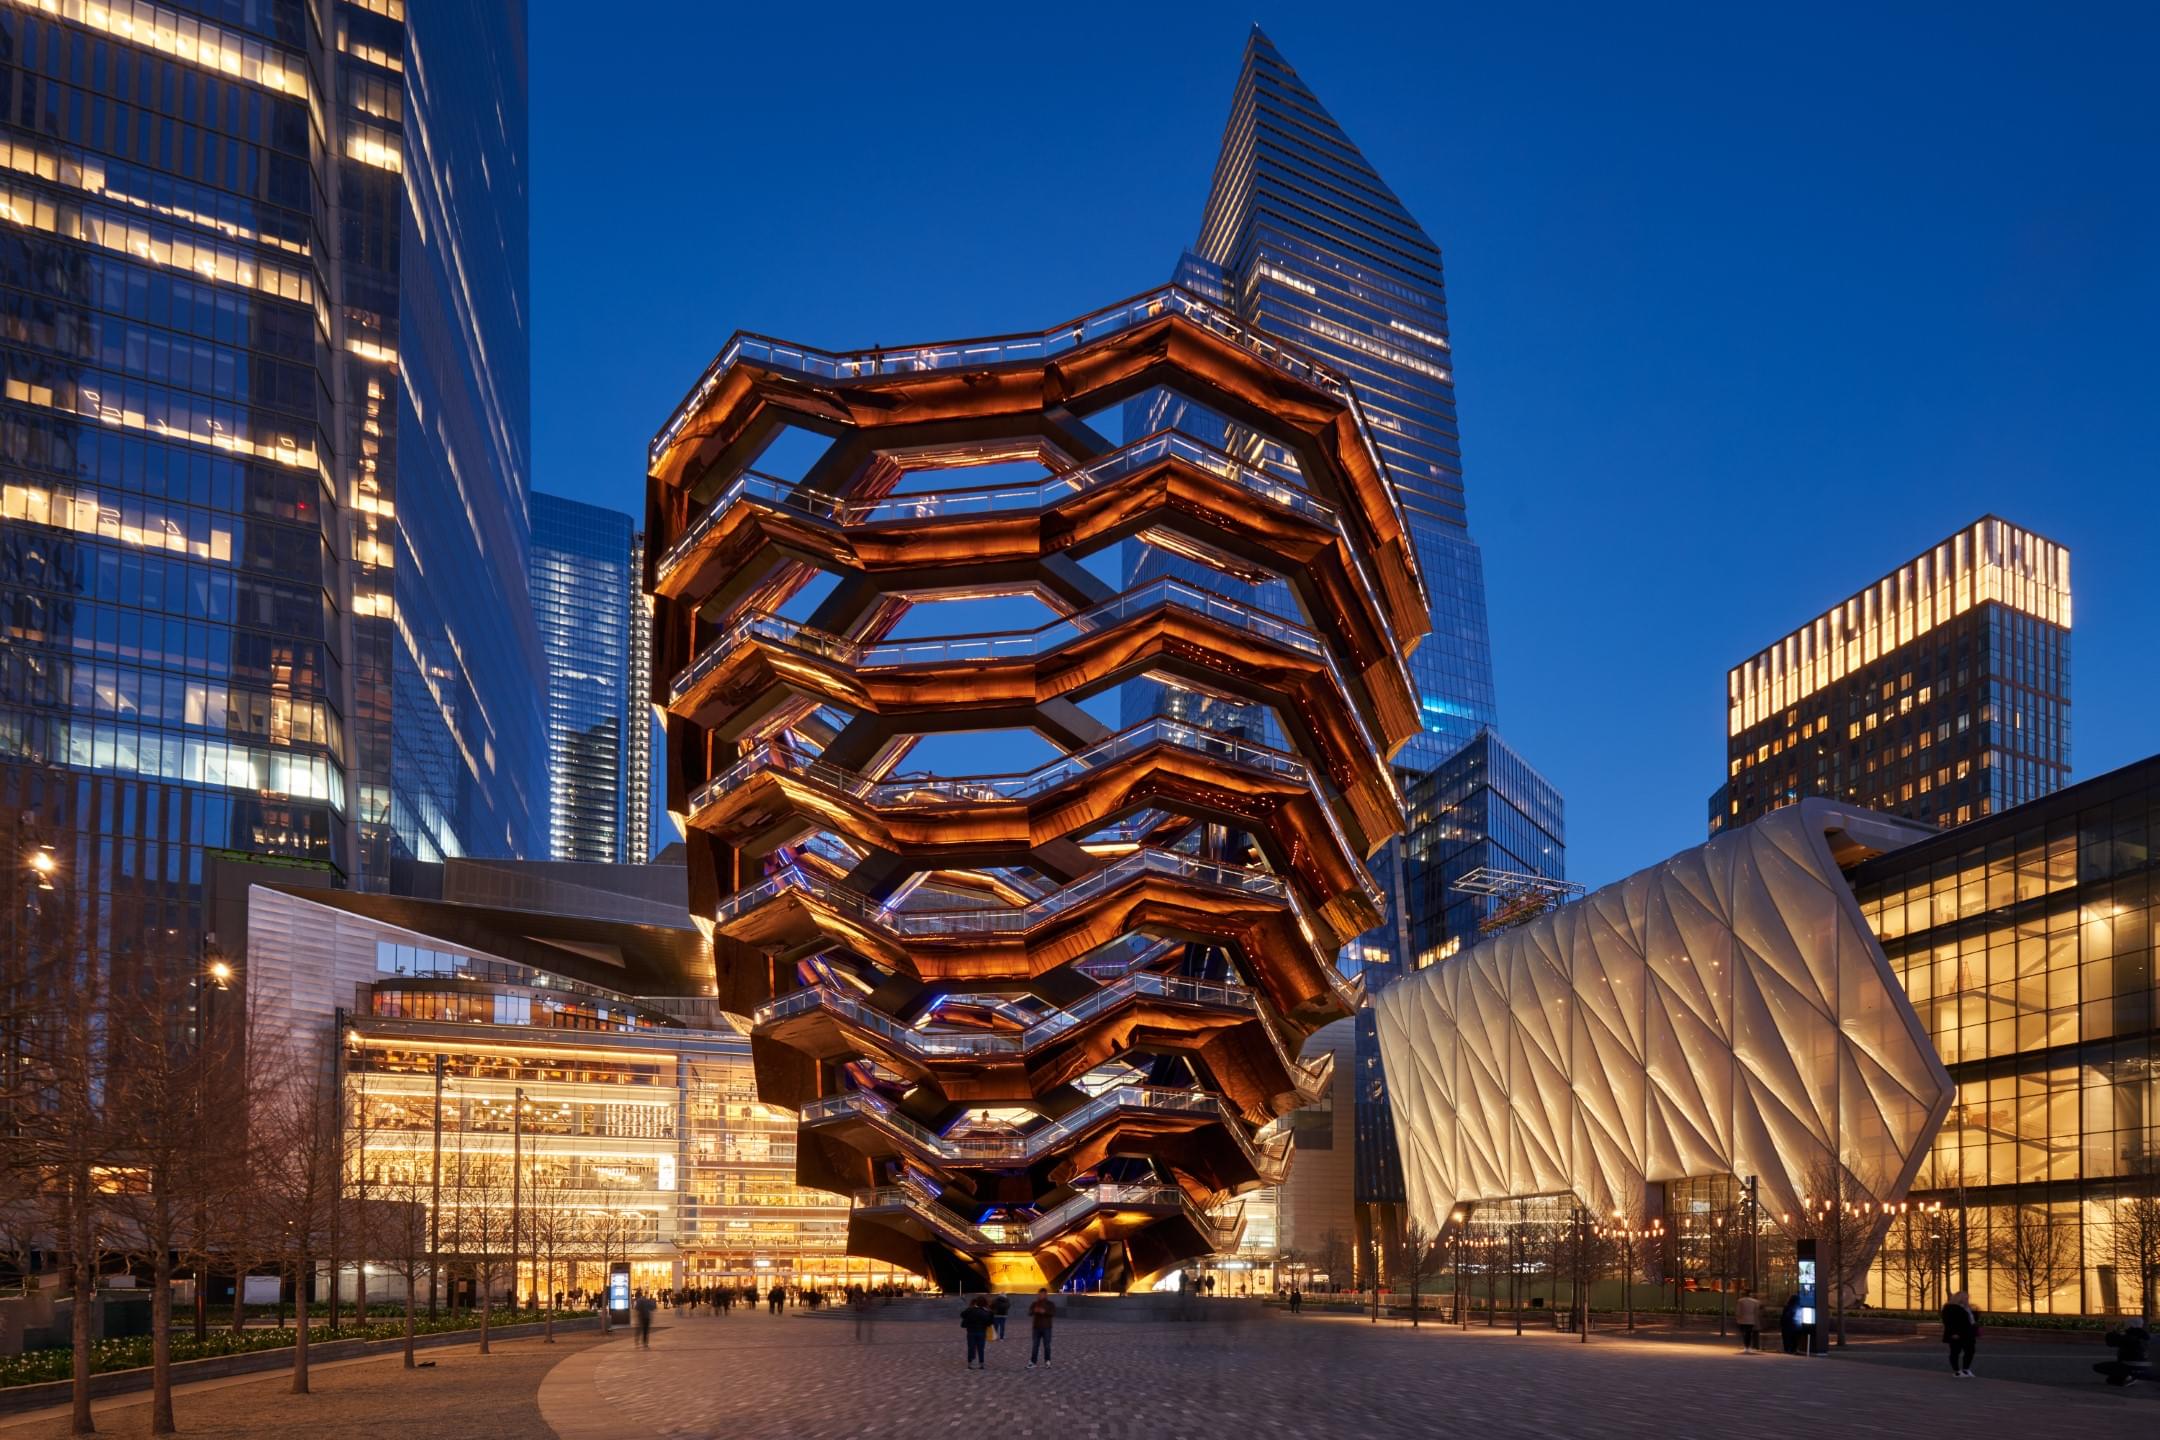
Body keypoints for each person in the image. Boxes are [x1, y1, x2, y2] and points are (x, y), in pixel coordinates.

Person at [2095, 1317, 2150, 1387]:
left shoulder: (2131, 1336)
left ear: (2131, 1325)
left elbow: (2112, 1341)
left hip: (2130, 1365)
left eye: (2126, 1324)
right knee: (2111, 1380)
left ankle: (2129, 1376)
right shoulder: (2146, 1337)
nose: (2125, 1326)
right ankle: (2124, 1377)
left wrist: (2110, 1331)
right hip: (2145, 1367)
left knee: (2098, 1367)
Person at [1941, 1291, 1979, 1377]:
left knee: (1970, 1351)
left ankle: (1966, 1369)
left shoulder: (1968, 1308)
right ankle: (1957, 1371)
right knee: (1955, 1352)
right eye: (1965, 1298)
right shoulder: (1949, 1308)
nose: (1967, 1299)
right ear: (1959, 1298)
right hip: (1957, 1334)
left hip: (1968, 1333)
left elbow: (1972, 1319)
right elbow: (1948, 1322)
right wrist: (1953, 1333)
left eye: (1967, 1298)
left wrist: (1974, 1311)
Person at [960, 1295, 994, 1369]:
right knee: (981, 1348)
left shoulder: (971, 1310)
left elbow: (962, 1314)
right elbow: (989, 1323)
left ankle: (970, 1363)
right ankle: (981, 1363)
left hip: (971, 1331)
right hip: (981, 1332)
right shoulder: (986, 1312)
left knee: (971, 1347)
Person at [1027, 1288, 1056, 1368]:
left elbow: (1053, 1313)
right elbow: (1029, 1313)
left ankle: (1047, 1361)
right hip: (1036, 1328)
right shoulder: (1035, 1303)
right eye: (1039, 1294)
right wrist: (1034, 1310)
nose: (1041, 1296)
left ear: (1046, 1295)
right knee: (1035, 1345)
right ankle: (1033, 1362)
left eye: (1042, 1294)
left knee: (1047, 1345)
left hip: (1047, 1328)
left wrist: (1044, 1312)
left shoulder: (1050, 1304)